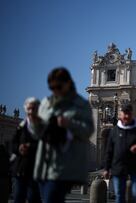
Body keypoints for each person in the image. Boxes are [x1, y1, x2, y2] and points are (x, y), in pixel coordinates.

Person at [32, 67, 94, 203]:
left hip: (66, 163)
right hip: (44, 163)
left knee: (52, 197)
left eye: (58, 86)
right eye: (52, 87)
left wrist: (69, 123)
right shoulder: (46, 103)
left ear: (68, 83)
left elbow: (88, 131)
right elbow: (36, 132)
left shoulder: (81, 105)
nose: (55, 90)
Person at [104, 103, 136, 203]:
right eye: (125, 113)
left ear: (132, 114)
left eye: (129, 113)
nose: (127, 116)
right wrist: (106, 168)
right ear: (120, 114)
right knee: (119, 195)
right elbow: (109, 150)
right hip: (118, 167)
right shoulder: (114, 130)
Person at [12, 97, 42, 203]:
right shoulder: (21, 126)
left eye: (33, 108)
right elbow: (13, 144)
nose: (31, 111)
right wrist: (19, 148)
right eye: (29, 109)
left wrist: (31, 147)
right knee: (18, 198)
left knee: (34, 198)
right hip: (20, 169)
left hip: (35, 170)